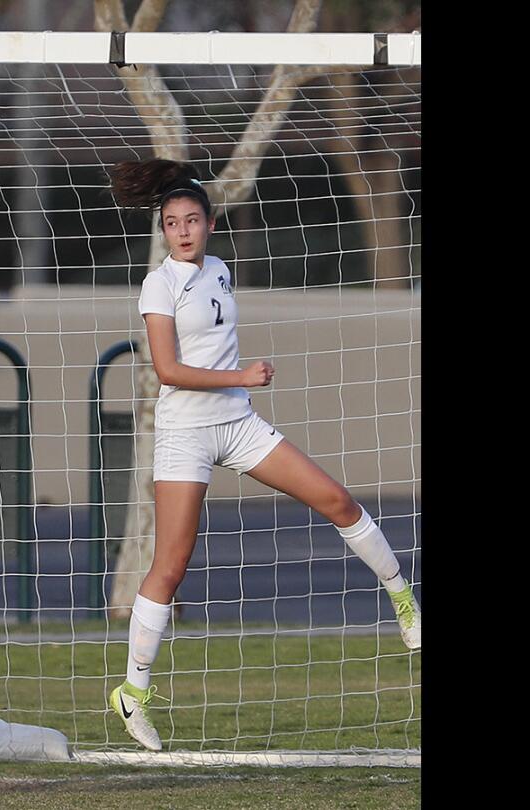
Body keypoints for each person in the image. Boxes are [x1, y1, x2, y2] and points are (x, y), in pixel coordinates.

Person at [107, 159, 422, 752]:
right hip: (186, 434)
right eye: (172, 222)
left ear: (209, 222)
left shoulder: (221, 269)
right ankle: (133, 693)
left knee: (337, 500)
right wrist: (241, 373)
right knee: (170, 567)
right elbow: (168, 370)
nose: (182, 231)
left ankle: (405, 600)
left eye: (191, 220)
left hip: (239, 423)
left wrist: (238, 384)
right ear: (163, 229)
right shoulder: (160, 284)